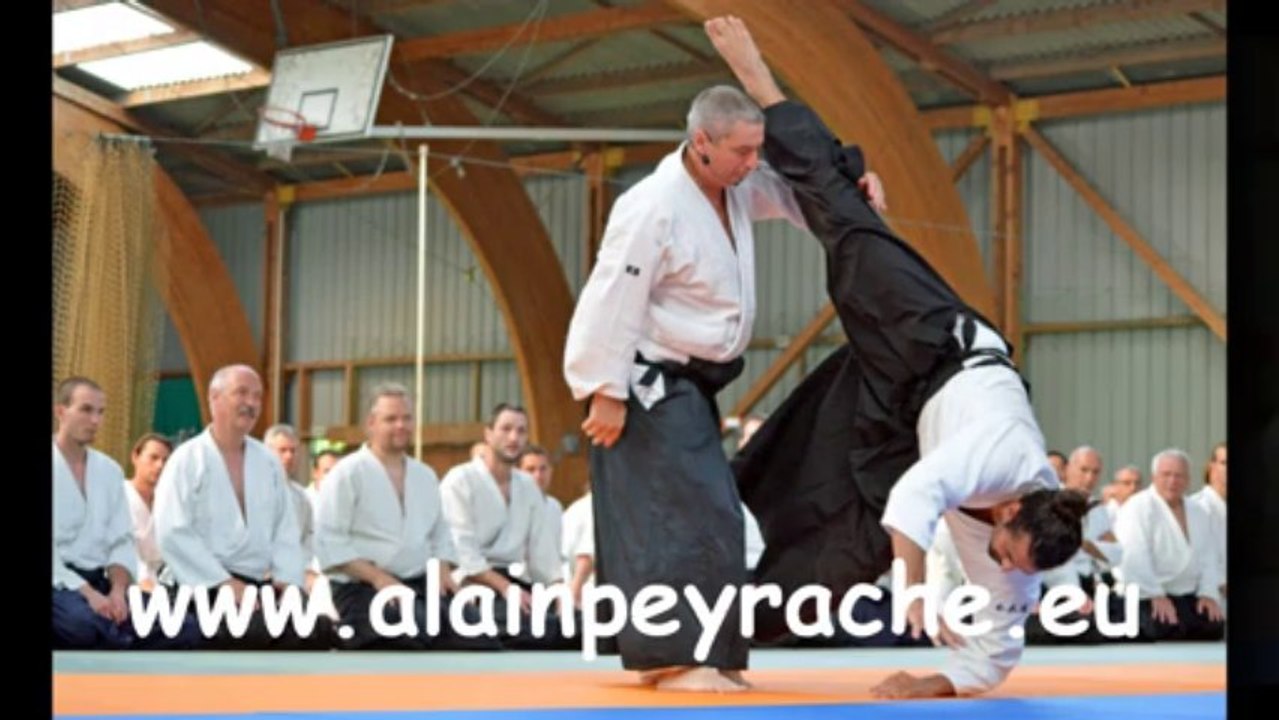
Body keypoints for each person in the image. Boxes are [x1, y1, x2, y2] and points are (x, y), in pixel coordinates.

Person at [706, 16, 1085, 698]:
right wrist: (910, 592)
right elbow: (918, 495)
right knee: (851, 223)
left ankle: (716, 632)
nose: (996, 563)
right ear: (1011, 512)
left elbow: (997, 655)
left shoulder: (1017, 565)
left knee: (835, 563)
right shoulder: (1005, 456)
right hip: (932, 342)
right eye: (1004, 549)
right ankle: (757, 76)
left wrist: (926, 684)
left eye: (1009, 564)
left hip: (899, 426)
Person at [561, 56, 832, 689]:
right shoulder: (652, 205)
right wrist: (603, 389)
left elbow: (789, 193)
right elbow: (611, 297)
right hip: (647, 383)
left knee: (705, 514)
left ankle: (711, 655)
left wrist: (850, 187)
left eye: (755, 150)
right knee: (697, 513)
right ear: (701, 142)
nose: (751, 162)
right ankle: (680, 656)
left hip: (692, 386)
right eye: (741, 150)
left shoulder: (733, 186)